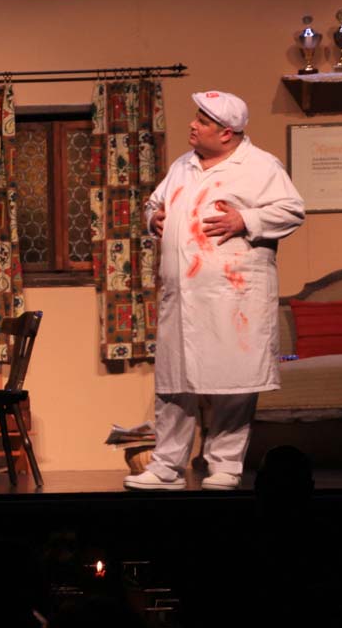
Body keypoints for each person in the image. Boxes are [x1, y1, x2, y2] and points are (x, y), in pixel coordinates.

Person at [124, 91, 304, 491]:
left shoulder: (260, 166)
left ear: (226, 133)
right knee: (174, 384)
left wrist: (246, 220)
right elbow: (154, 203)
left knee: (233, 383)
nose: (193, 125)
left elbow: (292, 210)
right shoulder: (183, 166)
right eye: (196, 117)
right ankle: (167, 466)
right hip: (182, 295)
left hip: (233, 297)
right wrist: (154, 218)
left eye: (203, 121)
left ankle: (225, 465)